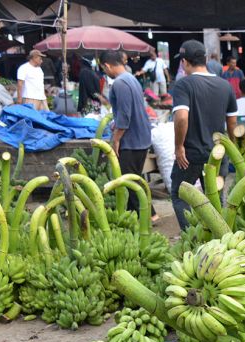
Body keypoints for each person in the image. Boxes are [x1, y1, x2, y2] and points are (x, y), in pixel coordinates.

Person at [172, 40, 237, 230]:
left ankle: (190, 236)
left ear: (184, 62)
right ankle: (221, 236)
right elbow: (232, 122)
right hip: (217, 154)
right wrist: (231, 149)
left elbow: (181, 118)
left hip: (190, 155)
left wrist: (178, 146)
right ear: (205, 59)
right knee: (216, 197)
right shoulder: (225, 86)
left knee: (179, 195)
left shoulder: (183, 85)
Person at [99, 50, 156, 218]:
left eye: (104, 69)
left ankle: (148, 215)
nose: (105, 72)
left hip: (131, 140)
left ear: (107, 65)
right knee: (135, 178)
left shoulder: (120, 83)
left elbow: (125, 115)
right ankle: (138, 216)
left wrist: (116, 140)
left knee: (129, 181)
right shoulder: (132, 79)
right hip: (142, 137)